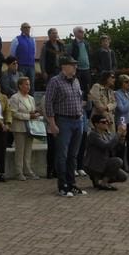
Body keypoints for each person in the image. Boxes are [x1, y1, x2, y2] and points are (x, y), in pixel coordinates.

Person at [45, 56, 87, 197]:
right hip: (63, 121)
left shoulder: (76, 81)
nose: (75, 67)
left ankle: (72, 184)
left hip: (78, 120)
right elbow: (48, 103)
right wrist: (52, 124)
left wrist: (81, 114)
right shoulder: (55, 81)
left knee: (73, 155)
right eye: (72, 65)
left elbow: (79, 99)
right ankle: (62, 185)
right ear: (64, 66)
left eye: (75, 65)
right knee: (62, 155)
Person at [41, 28, 64, 179]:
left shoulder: (61, 45)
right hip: (50, 72)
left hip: (59, 71)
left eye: (56, 33)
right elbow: (42, 59)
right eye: (53, 33)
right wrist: (43, 71)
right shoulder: (46, 46)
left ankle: (58, 169)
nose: (55, 35)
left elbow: (66, 58)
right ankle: (50, 170)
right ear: (49, 35)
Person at [84, 114, 128, 191]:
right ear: (96, 124)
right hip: (94, 165)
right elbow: (107, 146)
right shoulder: (93, 135)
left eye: (107, 121)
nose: (107, 123)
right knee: (118, 161)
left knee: (123, 177)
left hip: (103, 163)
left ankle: (97, 180)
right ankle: (103, 182)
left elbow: (116, 148)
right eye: (103, 122)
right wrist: (118, 134)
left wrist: (122, 137)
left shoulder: (107, 134)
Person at [8, 76, 40, 181]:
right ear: (20, 86)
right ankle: (19, 172)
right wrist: (28, 116)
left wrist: (35, 114)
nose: (28, 86)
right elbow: (13, 113)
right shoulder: (15, 98)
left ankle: (28, 170)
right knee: (20, 150)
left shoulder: (31, 98)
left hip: (30, 128)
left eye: (29, 84)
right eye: (26, 84)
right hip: (19, 127)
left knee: (28, 150)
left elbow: (32, 110)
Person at [9, 22, 37, 90]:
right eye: (25, 27)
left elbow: (34, 52)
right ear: (21, 29)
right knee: (21, 84)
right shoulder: (16, 39)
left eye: (28, 27)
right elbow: (12, 53)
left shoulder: (33, 40)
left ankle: (31, 100)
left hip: (31, 66)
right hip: (21, 66)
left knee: (31, 85)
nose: (27, 29)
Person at [68, 27, 92, 93]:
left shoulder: (86, 43)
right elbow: (69, 57)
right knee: (78, 88)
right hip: (77, 70)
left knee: (87, 89)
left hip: (87, 69)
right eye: (80, 31)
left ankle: (87, 102)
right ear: (75, 33)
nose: (83, 32)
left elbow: (89, 55)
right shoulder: (72, 44)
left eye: (83, 31)